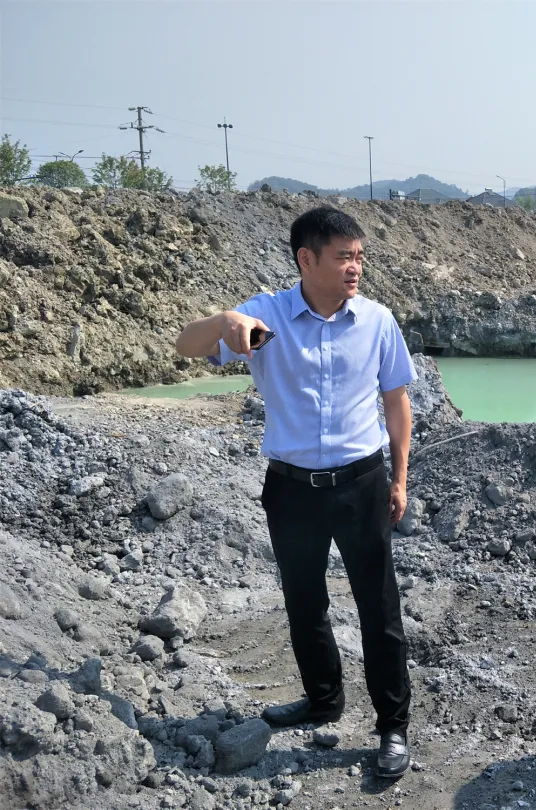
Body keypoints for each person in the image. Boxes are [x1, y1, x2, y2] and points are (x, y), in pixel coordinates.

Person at [175, 205, 415, 779]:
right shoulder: (263, 317)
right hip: (291, 488)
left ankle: (392, 726)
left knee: (379, 608)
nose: (356, 267)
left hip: (362, 483)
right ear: (307, 259)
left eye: (359, 256)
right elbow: (185, 344)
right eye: (344, 257)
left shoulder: (377, 321)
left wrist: (400, 478)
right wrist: (225, 321)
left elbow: (396, 401)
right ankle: (323, 699)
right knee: (305, 602)